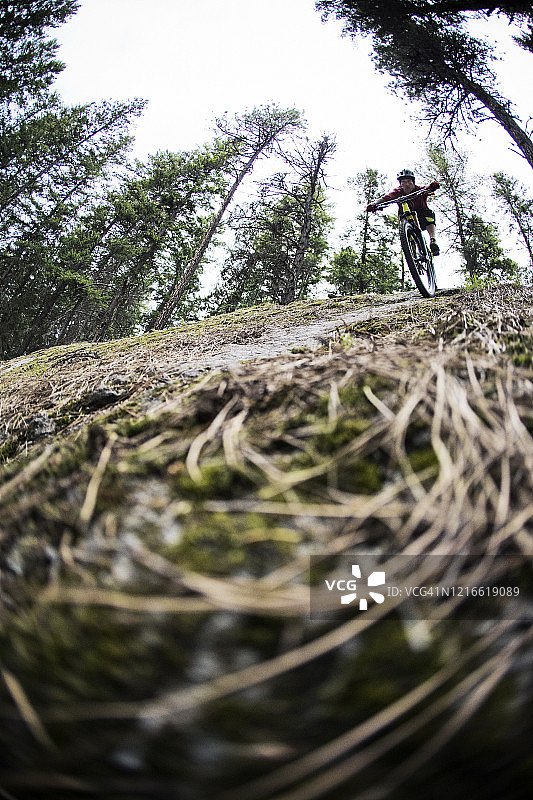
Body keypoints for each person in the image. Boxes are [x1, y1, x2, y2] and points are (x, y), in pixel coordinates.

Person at [367, 169, 441, 255]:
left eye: (409, 181)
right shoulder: (398, 192)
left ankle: (433, 240)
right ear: (400, 184)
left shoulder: (419, 190)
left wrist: (432, 186)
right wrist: (374, 204)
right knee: (406, 232)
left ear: (413, 182)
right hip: (406, 217)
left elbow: (427, 189)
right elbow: (385, 198)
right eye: (403, 182)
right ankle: (412, 257)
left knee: (428, 215)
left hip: (421, 216)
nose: (407, 184)